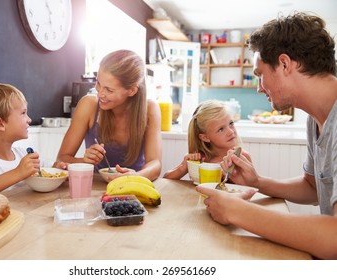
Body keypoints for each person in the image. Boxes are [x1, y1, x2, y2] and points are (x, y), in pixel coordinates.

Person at [196, 12, 337, 259]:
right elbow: (313, 187)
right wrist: (258, 183)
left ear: (284, 64)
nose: (259, 87)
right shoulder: (316, 119)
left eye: (260, 74)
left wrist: (237, 211)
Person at [57, 50, 162, 181]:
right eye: (98, 83)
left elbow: (155, 164)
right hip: (93, 187)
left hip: (134, 186)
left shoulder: (150, 110)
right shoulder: (88, 105)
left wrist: (135, 176)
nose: (100, 93)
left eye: (109, 90)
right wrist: (84, 161)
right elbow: (62, 159)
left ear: (132, 90)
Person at [0, 83, 67, 195]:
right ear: (0, 124)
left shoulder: (22, 154)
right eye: (23, 113)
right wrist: (17, 173)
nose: (29, 119)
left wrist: (58, 167)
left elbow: (49, 167)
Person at [163, 100, 241, 180]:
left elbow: (250, 187)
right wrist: (183, 167)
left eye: (231, 124)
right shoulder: (201, 160)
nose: (231, 132)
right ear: (205, 137)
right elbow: (166, 179)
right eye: (221, 129)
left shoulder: (240, 158)